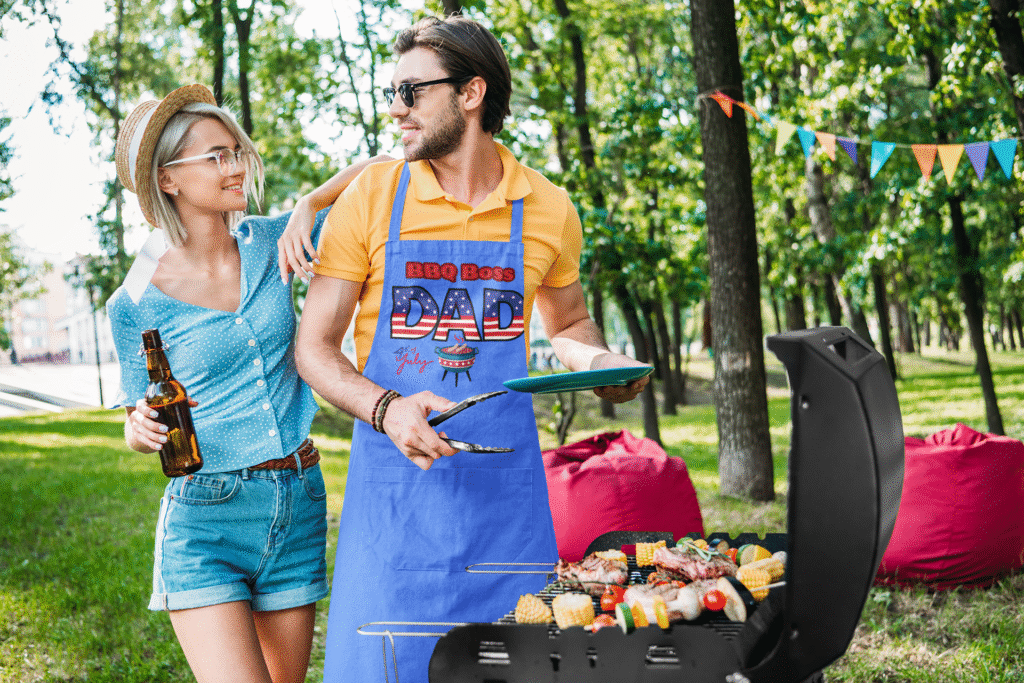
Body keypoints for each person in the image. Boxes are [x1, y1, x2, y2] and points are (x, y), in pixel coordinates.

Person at [294, 16, 649, 683]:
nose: (393, 108)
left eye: (411, 91)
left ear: (471, 93)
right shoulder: (373, 196)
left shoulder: (547, 206)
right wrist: (387, 407)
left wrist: (602, 366)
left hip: (505, 516)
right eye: (391, 91)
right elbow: (313, 348)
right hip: (395, 510)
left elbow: (569, 321)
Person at [106, 83, 385, 683]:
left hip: (298, 499)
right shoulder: (133, 303)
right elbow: (137, 418)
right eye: (215, 156)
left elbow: (384, 167)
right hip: (206, 515)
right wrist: (138, 428)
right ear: (169, 180)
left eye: (236, 152)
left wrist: (310, 201)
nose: (234, 166)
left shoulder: (273, 243)